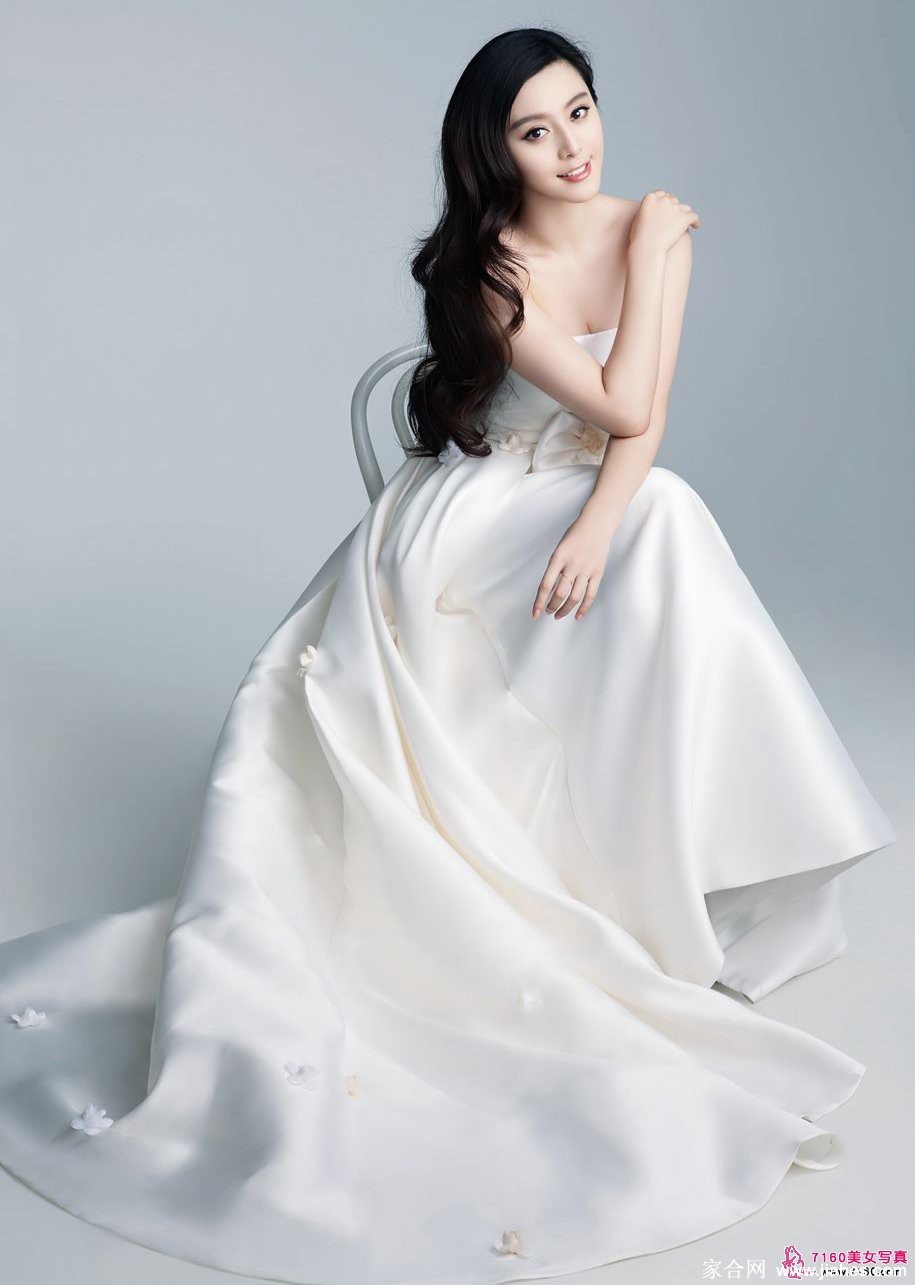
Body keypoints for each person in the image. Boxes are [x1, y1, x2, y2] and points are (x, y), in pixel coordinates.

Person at [0, 25, 897, 1285]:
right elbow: (622, 403)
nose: (573, 146)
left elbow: (643, 436)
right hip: (476, 522)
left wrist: (598, 521)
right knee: (665, 527)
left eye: (580, 111)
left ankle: (652, 891)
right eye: (536, 130)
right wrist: (646, 274)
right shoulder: (493, 268)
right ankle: (587, 887)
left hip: (593, 501)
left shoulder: (650, 228)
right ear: (495, 152)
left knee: (664, 525)